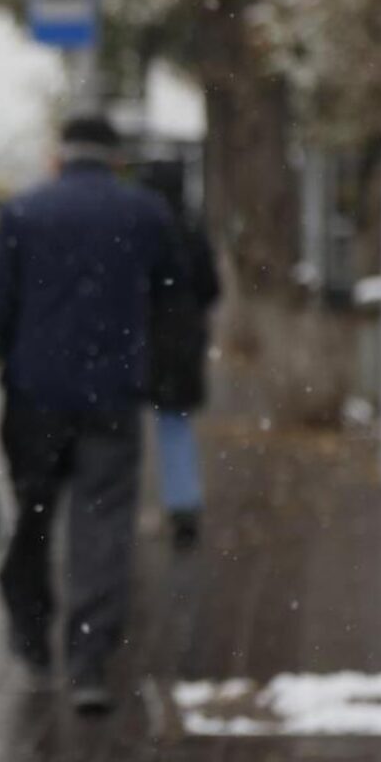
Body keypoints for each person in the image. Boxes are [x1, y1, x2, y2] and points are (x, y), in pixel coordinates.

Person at [0, 115, 181, 715]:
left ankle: (32, 635)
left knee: (33, 516)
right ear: (114, 157)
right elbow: (173, 295)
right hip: (113, 397)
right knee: (103, 525)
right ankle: (88, 660)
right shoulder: (143, 214)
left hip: (35, 397)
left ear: (61, 154)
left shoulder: (25, 213)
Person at [138, 160, 220, 550]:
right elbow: (211, 287)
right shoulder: (191, 229)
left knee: (126, 426)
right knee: (175, 424)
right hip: (183, 339)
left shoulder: (138, 229)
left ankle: (126, 507)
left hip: (138, 336)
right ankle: (183, 505)